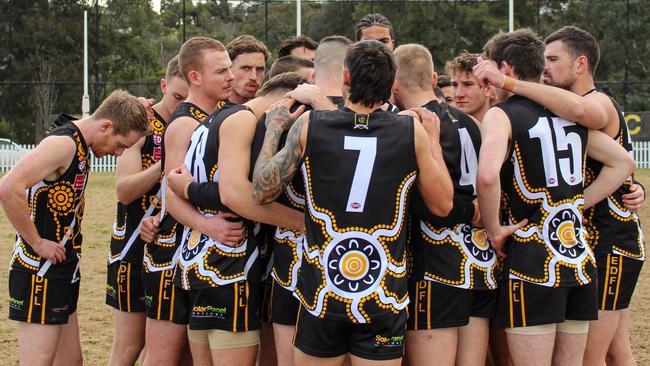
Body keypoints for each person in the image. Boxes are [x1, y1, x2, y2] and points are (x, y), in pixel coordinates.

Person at [252, 40, 453, 366]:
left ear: (345, 77)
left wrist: (274, 129)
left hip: (323, 292)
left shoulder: (309, 125)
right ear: (391, 85)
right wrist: (432, 140)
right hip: (381, 293)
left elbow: (262, 190)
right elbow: (443, 205)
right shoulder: (410, 131)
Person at [474, 28, 635, 366]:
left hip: (533, 259)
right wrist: (575, 204)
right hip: (577, 257)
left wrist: (494, 230)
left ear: (505, 69)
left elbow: (487, 176)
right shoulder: (567, 114)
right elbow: (624, 162)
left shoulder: (503, 115)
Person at [163, 72, 306, 366]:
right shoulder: (242, 120)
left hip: (198, 261)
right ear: (286, 102)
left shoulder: (212, 120)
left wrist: (190, 192)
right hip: (230, 263)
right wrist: (303, 222)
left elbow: (177, 188)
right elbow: (235, 194)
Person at [1, 89, 149, 366]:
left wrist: (137, 106)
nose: (119, 154)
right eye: (120, 145)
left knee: (71, 361)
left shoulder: (80, 140)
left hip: (62, 268)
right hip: (39, 271)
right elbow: (9, 187)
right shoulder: (64, 144)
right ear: (105, 126)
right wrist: (37, 242)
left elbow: (118, 109)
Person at [542, 26, 645, 366]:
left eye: (553, 59)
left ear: (580, 64)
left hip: (612, 242)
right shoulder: (567, 106)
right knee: (616, 351)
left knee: (589, 355)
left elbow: (589, 116)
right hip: (601, 240)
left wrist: (576, 204)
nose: (545, 67)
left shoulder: (596, 102)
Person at [139, 36, 242, 366]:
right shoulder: (184, 123)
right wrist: (206, 225)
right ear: (195, 77)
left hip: (199, 256)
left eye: (230, 69)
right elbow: (172, 192)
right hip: (172, 254)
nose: (231, 77)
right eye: (222, 71)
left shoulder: (221, 115)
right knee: (164, 357)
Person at [392, 43, 492, 366]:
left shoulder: (410, 124)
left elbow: (431, 203)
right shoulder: (470, 123)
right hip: (477, 263)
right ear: (434, 78)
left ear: (394, 84)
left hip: (436, 267)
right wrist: (477, 211)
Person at [106, 55, 188, 366]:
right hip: (133, 247)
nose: (183, 104)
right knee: (130, 346)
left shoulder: (201, 120)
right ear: (164, 86)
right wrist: (164, 166)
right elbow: (124, 190)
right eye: (177, 97)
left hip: (176, 247)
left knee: (170, 348)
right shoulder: (142, 124)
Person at [446, 52, 496, 122]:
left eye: (467, 84)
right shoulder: (442, 130)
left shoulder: (510, 128)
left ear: (488, 89)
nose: (458, 94)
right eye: (454, 85)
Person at [227, 35, 270, 105]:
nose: (254, 77)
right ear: (229, 69)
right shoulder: (210, 110)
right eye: (246, 68)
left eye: (259, 69)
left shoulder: (270, 109)